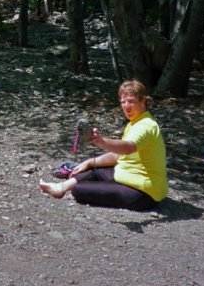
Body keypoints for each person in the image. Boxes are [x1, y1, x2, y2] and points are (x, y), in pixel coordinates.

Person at [39, 79, 167, 210]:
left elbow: (129, 148)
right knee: (93, 167)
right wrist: (89, 162)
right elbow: (119, 155)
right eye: (123, 102)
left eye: (131, 101)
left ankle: (67, 188)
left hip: (143, 193)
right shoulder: (134, 123)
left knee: (78, 190)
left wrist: (102, 141)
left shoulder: (145, 125)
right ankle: (60, 188)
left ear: (143, 101)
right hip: (129, 178)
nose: (126, 106)